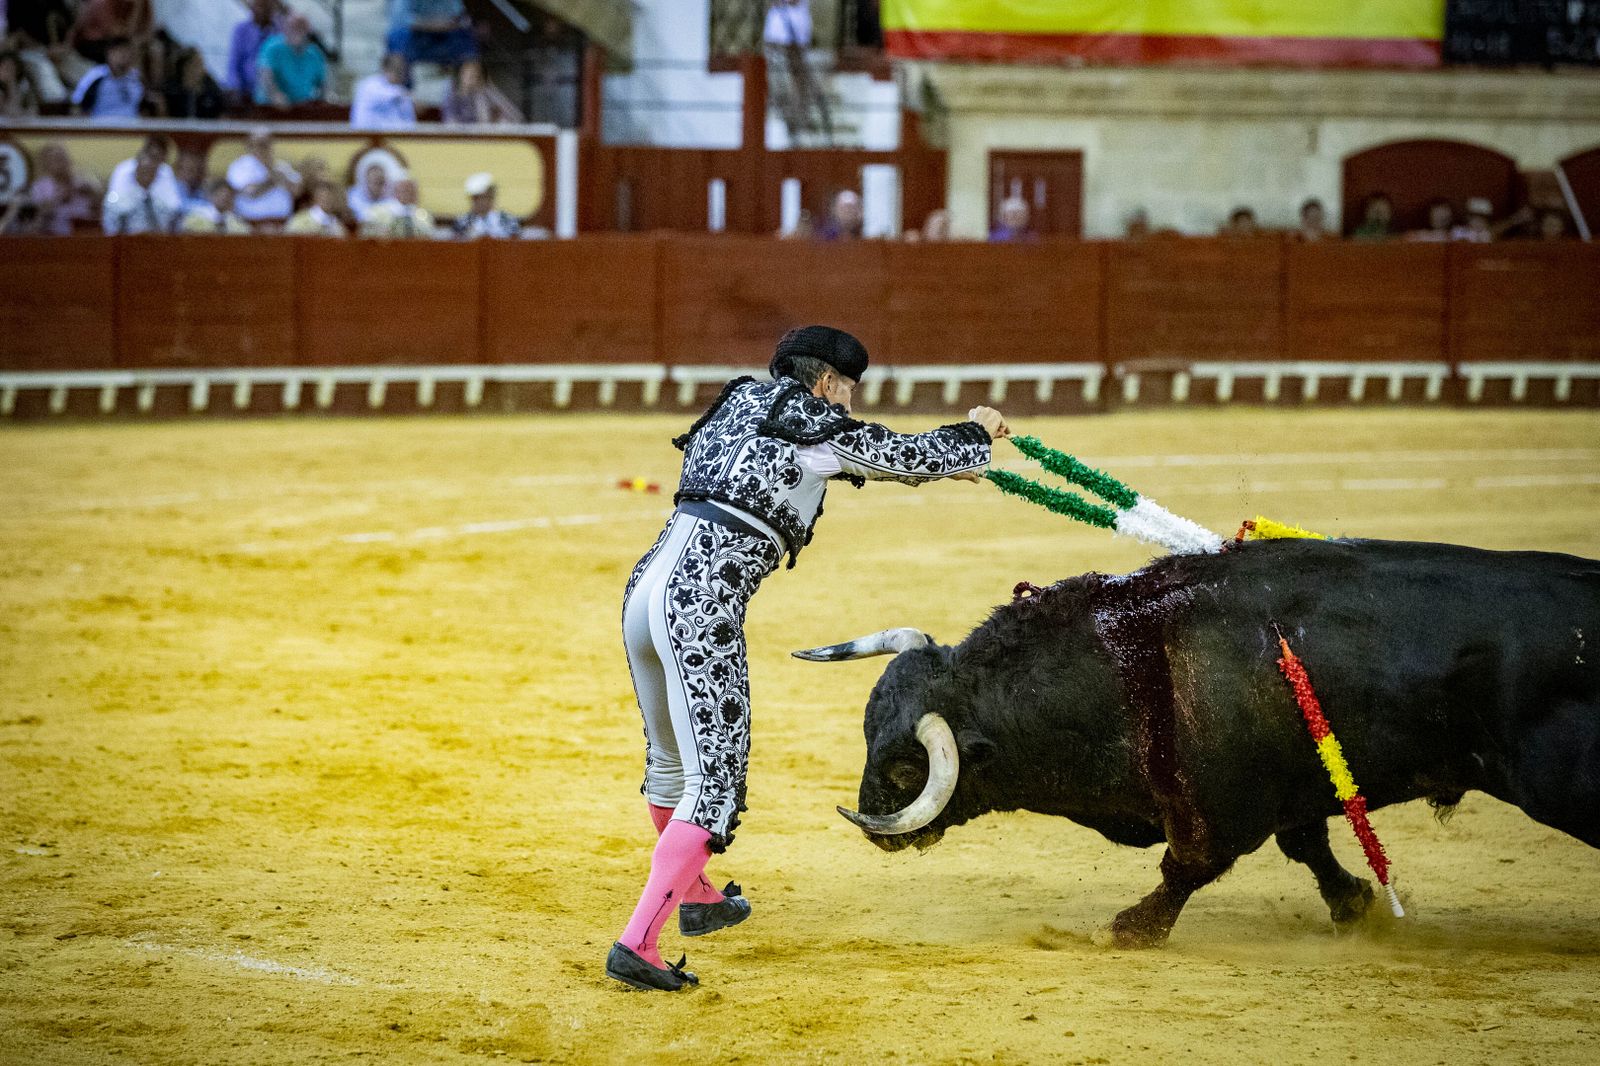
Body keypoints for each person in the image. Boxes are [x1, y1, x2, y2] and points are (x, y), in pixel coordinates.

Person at [607, 326, 1008, 992]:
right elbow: (896, 451)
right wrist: (973, 433)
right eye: (845, 391)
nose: (846, 404)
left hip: (647, 589)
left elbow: (836, 460)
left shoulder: (741, 402)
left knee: (673, 762)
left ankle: (698, 896)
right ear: (825, 382)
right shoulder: (810, 416)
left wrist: (926, 464)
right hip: (700, 603)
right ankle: (638, 942)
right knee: (715, 783)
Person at [227, 127, 300, 224]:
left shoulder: (281, 166)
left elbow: (297, 190)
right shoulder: (240, 166)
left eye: (266, 144)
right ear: (249, 146)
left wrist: (282, 178)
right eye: (259, 144)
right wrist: (273, 179)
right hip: (250, 224)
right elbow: (250, 192)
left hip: (281, 223)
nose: (263, 148)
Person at [27, 143, 101, 236]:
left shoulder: (83, 181)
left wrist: (92, 193)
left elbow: (100, 209)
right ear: (46, 164)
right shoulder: (39, 186)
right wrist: (57, 198)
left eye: (64, 158)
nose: (62, 163)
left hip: (84, 233)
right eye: (56, 159)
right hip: (54, 236)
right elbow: (36, 217)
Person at [102, 148, 180, 234]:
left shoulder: (164, 196)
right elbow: (110, 225)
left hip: (158, 241)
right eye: (144, 171)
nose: (147, 175)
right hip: (127, 242)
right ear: (136, 169)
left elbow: (172, 216)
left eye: (151, 171)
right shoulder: (121, 194)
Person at [255, 12, 325, 108]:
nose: (298, 31)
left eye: (302, 27)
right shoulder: (272, 48)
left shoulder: (314, 54)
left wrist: (325, 99)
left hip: (302, 107)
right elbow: (265, 76)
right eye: (294, 27)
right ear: (286, 29)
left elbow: (323, 83)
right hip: (270, 107)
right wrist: (275, 95)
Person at [387, 0, 478, 66]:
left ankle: (467, 87)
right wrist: (433, 25)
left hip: (444, 37)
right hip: (416, 38)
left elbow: (460, 18)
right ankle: (398, 87)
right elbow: (400, 19)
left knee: (467, 37)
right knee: (396, 36)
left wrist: (449, 24)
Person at [71, 35, 143, 117]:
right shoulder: (95, 76)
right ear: (109, 54)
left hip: (133, 127)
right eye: (120, 52)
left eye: (127, 52)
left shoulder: (137, 78)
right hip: (101, 126)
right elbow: (77, 105)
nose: (124, 56)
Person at [439, 57, 520, 124]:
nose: (473, 77)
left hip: (481, 139)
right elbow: (450, 123)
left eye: (477, 74)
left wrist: (490, 88)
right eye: (469, 73)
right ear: (461, 74)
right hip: (460, 139)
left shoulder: (481, 94)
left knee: (504, 121)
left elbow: (516, 117)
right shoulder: (451, 94)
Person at [227, 0, 279, 103]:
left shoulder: (279, 32)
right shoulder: (241, 30)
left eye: (266, 7)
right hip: (245, 90)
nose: (262, 10)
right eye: (259, 6)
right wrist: (234, 86)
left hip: (272, 93)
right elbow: (234, 61)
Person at [350, 51, 415, 128]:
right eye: (396, 70)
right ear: (384, 69)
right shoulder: (369, 85)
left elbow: (410, 122)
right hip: (366, 136)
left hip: (396, 137)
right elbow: (391, 95)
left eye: (402, 71)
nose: (400, 75)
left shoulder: (402, 91)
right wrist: (408, 96)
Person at [452, 172, 520, 239]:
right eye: (476, 198)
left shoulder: (507, 220)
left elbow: (515, 243)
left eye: (485, 197)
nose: (481, 202)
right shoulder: (463, 222)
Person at [161, 46, 224, 118]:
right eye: (195, 64)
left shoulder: (211, 88)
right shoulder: (171, 89)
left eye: (201, 64)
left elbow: (221, 113)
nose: (201, 69)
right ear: (184, 67)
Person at [362, 177, 435, 238]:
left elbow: (428, 236)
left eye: (412, 191)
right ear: (394, 192)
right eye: (405, 190)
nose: (409, 194)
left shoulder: (423, 215)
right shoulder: (377, 211)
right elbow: (366, 233)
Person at [179, 178, 251, 234]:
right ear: (210, 196)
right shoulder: (196, 216)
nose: (224, 199)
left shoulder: (234, 220)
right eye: (220, 195)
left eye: (228, 196)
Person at [0, 47, 41, 116]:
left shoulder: (25, 86)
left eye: (10, 67)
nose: (8, 71)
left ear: (18, 69)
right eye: (4, 67)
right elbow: (6, 112)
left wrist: (11, 84)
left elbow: (34, 110)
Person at [172, 149, 209, 214]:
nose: (186, 174)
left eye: (191, 170)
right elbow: (178, 206)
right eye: (182, 169)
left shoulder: (199, 190)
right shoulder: (171, 187)